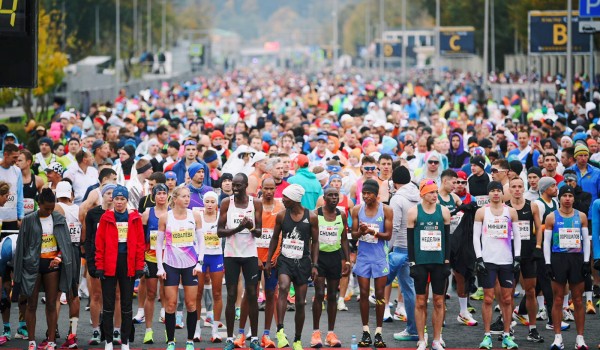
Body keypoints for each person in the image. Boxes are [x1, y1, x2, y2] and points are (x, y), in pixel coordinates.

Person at [14, 188, 74, 350]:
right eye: (46, 208)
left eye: (52, 208)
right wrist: (17, 273)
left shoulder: (59, 218)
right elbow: (21, 248)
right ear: (38, 204)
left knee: (51, 304)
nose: (49, 211)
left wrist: (59, 257)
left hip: (51, 265)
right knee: (31, 304)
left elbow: (66, 244)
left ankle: (52, 341)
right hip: (32, 265)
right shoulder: (28, 220)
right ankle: (32, 341)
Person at [265, 184, 319, 350]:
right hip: (285, 260)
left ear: (295, 200)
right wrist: (268, 260)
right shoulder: (282, 215)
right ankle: (280, 330)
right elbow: (275, 238)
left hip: (302, 262)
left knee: (301, 303)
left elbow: (315, 242)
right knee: (283, 287)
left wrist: (314, 265)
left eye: (286, 198)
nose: (282, 200)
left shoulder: (311, 217)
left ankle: (297, 339)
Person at [95, 185, 145, 350]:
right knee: (108, 305)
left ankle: (125, 341)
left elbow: (139, 244)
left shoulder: (134, 218)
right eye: (116, 198)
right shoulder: (106, 218)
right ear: (112, 200)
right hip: (110, 263)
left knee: (126, 305)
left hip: (127, 263)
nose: (119, 202)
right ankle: (108, 341)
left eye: (122, 199)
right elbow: (99, 244)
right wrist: (100, 266)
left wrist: (139, 266)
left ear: (127, 200)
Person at [217, 173, 263, 350]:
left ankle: (254, 338)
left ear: (245, 186)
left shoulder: (255, 203)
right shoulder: (226, 203)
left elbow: (258, 232)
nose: (234, 189)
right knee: (230, 295)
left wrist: (250, 226)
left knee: (252, 295)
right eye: (232, 186)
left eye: (238, 186)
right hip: (231, 254)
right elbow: (220, 232)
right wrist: (239, 227)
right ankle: (230, 338)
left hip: (250, 254)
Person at [155, 186, 205, 350]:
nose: (187, 199)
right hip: (171, 264)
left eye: (188, 196)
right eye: (183, 196)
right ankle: (171, 341)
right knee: (171, 304)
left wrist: (199, 263)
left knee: (191, 304)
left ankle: (189, 340)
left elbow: (201, 241)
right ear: (175, 198)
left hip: (190, 264)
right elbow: (158, 244)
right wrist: (160, 267)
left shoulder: (195, 215)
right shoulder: (165, 217)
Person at [473, 181, 521, 350]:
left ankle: (507, 335)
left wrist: (517, 258)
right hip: (488, 260)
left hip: (506, 260)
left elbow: (517, 236)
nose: (495, 193)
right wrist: (479, 259)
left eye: (498, 191)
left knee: (507, 299)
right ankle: (487, 335)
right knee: (488, 298)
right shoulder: (481, 212)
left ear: (502, 193)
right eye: (492, 190)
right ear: (488, 194)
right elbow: (476, 237)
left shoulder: (511, 212)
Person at [236, 177, 283, 348]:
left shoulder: (281, 207)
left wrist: (275, 256)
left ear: (275, 189)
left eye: (272, 188)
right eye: (266, 188)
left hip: (272, 259)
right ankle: (241, 333)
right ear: (261, 188)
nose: (269, 191)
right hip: (253, 257)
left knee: (271, 294)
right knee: (250, 295)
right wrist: (254, 256)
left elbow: (281, 235)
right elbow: (249, 233)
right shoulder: (254, 205)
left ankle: (266, 335)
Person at [407, 179, 451, 350]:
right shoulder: (413, 212)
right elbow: (410, 241)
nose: (435, 195)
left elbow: (448, 238)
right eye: (431, 192)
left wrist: (447, 261)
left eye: (436, 192)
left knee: (439, 301)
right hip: (421, 262)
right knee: (420, 301)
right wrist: (412, 263)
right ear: (422, 194)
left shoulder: (444, 211)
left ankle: (437, 339)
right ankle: (421, 339)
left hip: (439, 262)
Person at [544, 185, 590, 350]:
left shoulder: (581, 216)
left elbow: (586, 240)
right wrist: (548, 263)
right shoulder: (551, 217)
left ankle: (580, 338)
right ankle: (558, 338)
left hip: (576, 259)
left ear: (573, 198)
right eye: (565, 196)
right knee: (557, 299)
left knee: (578, 300)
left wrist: (586, 262)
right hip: (558, 259)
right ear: (560, 198)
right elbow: (546, 242)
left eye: (570, 196)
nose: (568, 199)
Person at [351, 179, 392, 348]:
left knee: (380, 295)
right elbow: (353, 236)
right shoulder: (357, 209)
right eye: (364, 193)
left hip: (380, 257)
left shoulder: (386, 210)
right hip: (363, 258)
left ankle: (379, 333)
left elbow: (388, 235)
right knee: (363, 293)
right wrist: (360, 232)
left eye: (369, 193)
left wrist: (372, 231)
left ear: (376, 195)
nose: (366, 196)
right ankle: (366, 331)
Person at [506, 176, 544, 343]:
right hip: (509, 254)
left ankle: (533, 329)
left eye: (519, 186)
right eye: (513, 186)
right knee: (508, 293)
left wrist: (538, 246)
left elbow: (539, 227)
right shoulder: (505, 207)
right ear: (509, 189)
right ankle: (507, 329)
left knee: (531, 291)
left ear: (524, 188)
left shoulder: (532, 205)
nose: (516, 189)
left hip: (528, 254)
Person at [311, 186, 350, 348]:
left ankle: (330, 333)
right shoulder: (316, 214)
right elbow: (312, 240)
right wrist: (312, 262)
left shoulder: (341, 214)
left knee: (332, 295)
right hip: (319, 257)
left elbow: (344, 239)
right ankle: (315, 333)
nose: (334, 198)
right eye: (330, 195)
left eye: (336, 195)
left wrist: (347, 261)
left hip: (335, 257)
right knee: (319, 293)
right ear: (324, 198)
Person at [387, 166, 421, 341]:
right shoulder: (419, 194)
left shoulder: (397, 198)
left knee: (408, 290)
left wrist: (387, 249)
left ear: (394, 182)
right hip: (420, 247)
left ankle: (414, 329)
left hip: (402, 246)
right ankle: (417, 328)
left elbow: (394, 226)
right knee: (418, 290)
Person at [84, 184, 120, 345]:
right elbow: (89, 240)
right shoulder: (92, 214)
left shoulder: (121, 214)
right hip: (98, 260)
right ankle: (96, 330)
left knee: (117, 296)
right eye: (109, 193)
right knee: (97, 296)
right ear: (102, 195)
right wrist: (90, 262)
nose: (111, 196)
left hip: (116, 260)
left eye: (114, 193)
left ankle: (116, 330)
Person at [54, 180, 83, 349]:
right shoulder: (79, 209)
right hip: (75, 249)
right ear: (71, 194)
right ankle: (72, 333)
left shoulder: (56, 208)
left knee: (56, 294)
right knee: (74, 293)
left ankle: (52, 330)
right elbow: (84, 232)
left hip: (59, 251)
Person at [140, 183, 169, 344]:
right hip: (151, 258)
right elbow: (142, 237)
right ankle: (148, 331)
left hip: (168, 259)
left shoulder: (172, 213)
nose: (161, 196)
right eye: (159, 194)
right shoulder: (147, 213)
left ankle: (167, 330)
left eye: (164, 193)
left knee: (166, 294)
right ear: (154, 195)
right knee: (151, 294)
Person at [194, 191, 224, 344]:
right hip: (201, 257)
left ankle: (215, 331)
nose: (210, 204)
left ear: (217, 203)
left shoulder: (220, 218)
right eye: (207, 202)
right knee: (197, 293)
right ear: (203, 203)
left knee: (217, 293)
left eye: (213, 202)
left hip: (216, 256)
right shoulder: (197, 216)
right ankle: (197, 330)